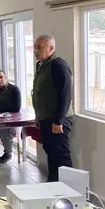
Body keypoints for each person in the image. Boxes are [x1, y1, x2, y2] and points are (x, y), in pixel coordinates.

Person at [32, 34, 74, 182]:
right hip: (46, 118)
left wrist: (58, 121)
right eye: (35, 47)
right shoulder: (42, 65)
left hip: (58, 120)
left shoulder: (58, 65)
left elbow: (65, 95)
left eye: (39, 47)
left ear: (51, 49)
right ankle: (53, 184)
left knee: (61, 155)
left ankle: (70, 189)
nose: (35, 51)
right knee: (51, 152)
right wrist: (38, 116)